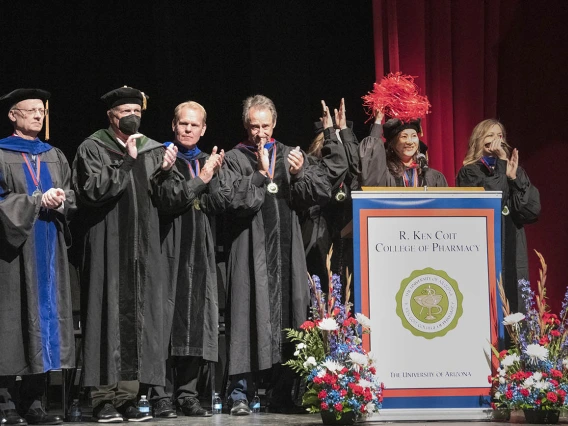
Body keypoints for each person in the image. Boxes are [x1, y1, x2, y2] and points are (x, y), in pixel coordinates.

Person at [71, 86, 179, 423]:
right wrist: (127, 159)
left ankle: (128, 397)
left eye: (137, 109)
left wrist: (165, 171)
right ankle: (102, 398)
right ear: (111, 115)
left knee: (138, 320)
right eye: (125, 110)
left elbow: (169, 200)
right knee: (105, 316)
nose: (132, 114)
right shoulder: (93, 147)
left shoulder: (151, 148)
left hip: (143, 250)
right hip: (107, 247)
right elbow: (91, 191)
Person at [221, 95, 331, 415]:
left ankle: (285, 394)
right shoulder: (233, 158)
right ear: (246, 126)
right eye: (254, 126)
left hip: (288, 253)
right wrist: (258, 173)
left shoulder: (290, 155)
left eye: (265, 126)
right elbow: (233, 202)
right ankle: (240, 394)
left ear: (275, 124)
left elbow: (316, 197)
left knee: (292, 318)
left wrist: (299, 176)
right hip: (249, 251)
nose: (260, 133)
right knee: (245, 318)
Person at [0, 88, 75, 425]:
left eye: (40, 111)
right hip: (13, 254)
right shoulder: (2, 153)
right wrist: (35, 201)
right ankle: (5, 404)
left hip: (49, 252)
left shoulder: (54, 154)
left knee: (45, 323)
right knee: (12, 323)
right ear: (13, 115)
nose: (37, 116)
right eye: (29, 111)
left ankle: (34, 402)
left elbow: (73, 195)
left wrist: (62, 200)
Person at [147, 101, 225, 418]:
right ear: (174, 126)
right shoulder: (163, 160)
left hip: (201, 251)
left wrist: (213, 178)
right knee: (164, 321)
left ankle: (188, 394)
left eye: (195, 125)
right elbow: (168, 200)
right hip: (169, 250)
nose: (189, 129)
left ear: (204, 129)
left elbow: (221, 203)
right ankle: (161, 395)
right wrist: (203, 178)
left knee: (195, 319)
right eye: (183, 124)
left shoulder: (210, 161)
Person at [456, 119, 540, 313]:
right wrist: (503, 166)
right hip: (485, 244)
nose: (496, 139)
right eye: (490, 135)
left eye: (499, 135)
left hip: (513, 245)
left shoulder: (513, 170)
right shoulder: (470, 172)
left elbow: (530, 211)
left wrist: (514, 178)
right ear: (478, 140)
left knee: (516, 302)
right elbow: (492, 201)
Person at [302, 98, 358, 289]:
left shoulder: (352, 174)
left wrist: (344, 131)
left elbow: (355, 165)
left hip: (346, 236)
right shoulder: (310, 164)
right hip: (318, 237)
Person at [359, 110, 448, 187]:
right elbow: (371, 167)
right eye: (404, 136)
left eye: (413, 136)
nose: (409, 142)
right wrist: (377, 122)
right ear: (392, 144)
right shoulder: (384, 174)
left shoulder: (431, 176)